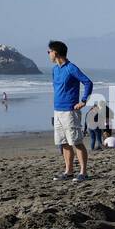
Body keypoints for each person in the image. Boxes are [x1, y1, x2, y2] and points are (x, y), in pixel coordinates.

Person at [47, 40, 92, 182]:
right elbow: (57, 88)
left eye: (49, 52)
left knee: (76, 141)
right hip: (58, 110)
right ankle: (69, 171)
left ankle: (83, 172)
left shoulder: (71, 68)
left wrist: (83, 101)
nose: (48, 54)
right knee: (63, 142)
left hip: (70, 111)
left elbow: (88, 82)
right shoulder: (55, 69)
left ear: (56, 52)